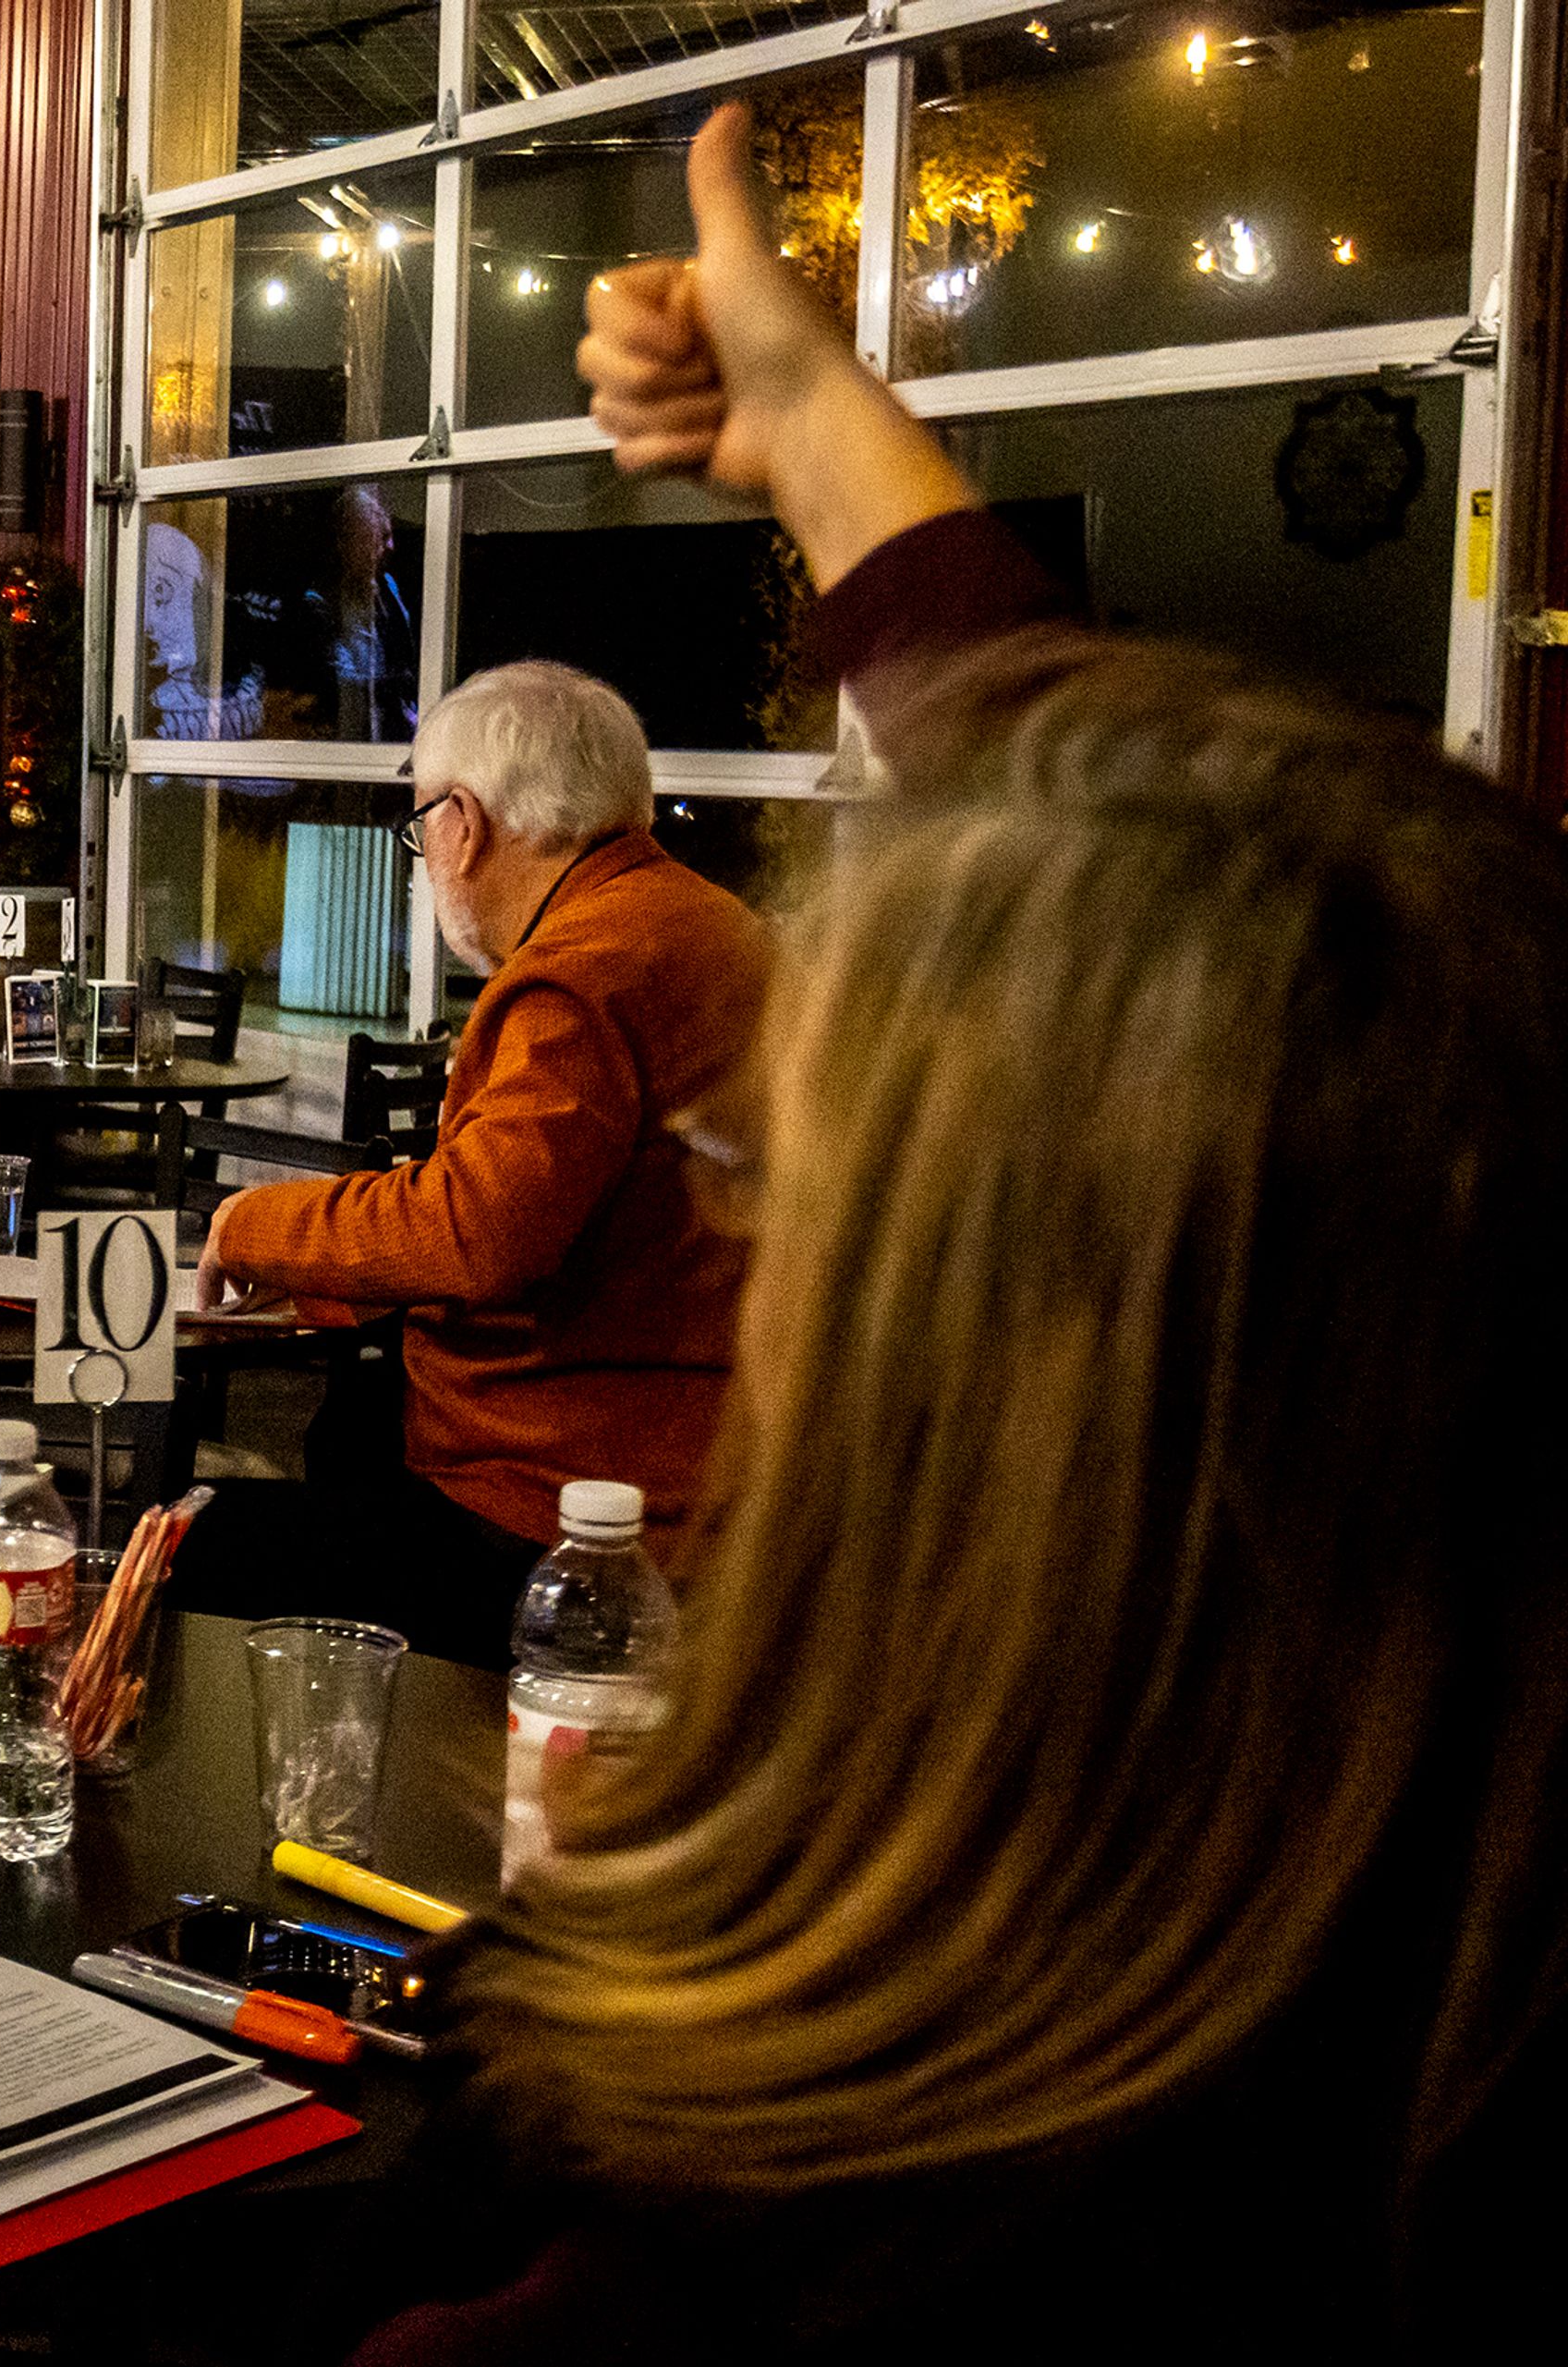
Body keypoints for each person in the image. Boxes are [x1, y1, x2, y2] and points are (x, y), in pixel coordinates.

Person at [344, 104, 1568, 2359]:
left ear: (982, 1410)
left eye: (780, 1186)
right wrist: (813, 426)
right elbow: (1183, 926)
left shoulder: (726, 2281)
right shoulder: (1429, 1979)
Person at [184, 659, 769, 1663]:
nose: (423, 861)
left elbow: (477, 1230)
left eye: (420, 829)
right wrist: (332, 1287)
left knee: (183, 1545)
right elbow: (591, 1219)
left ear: (465, 822)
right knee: (347, 1434)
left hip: (563, 1520)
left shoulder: (576, 980)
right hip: (715, 1476)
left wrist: (254, 1227)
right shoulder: (715, 927)